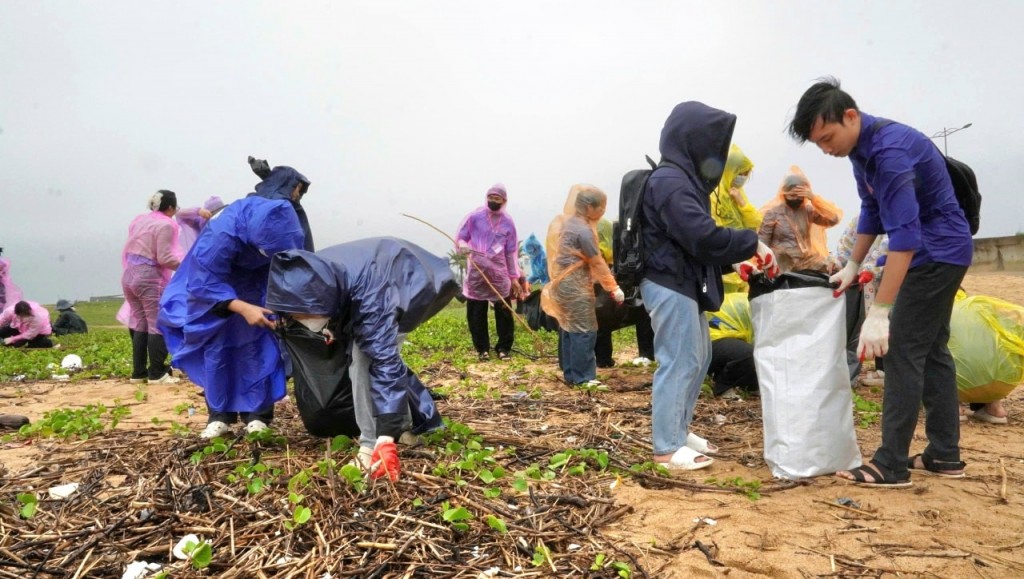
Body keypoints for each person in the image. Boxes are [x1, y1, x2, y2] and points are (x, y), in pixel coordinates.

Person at [789, 77, 973, 487]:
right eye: (817, 143)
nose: (825, 148)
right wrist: (853, 264)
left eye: (827, 137)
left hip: (935, 253)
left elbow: (905, 238)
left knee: (903, 352)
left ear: (851, 116)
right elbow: (871, 210)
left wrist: (881, 312)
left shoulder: (889, 152)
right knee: (933, 351)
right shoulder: (861, 151)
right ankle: (944, 455)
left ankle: (890, 463)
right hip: (940, 250)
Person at [640, 101, 778, 470]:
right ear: (691, 140)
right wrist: (751, 243)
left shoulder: (683, 182)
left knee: (696, 360)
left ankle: (678, 431)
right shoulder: (670, 182)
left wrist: (737, 260)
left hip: (684, 282)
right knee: (679, 361)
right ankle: (666, 448)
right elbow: (701, 237)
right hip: (669, 284)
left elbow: (691, 243)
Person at [266, 237, 459, 480]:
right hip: (370, 278)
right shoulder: (303, 278)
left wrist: (385, 434)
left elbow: (383, 359)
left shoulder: (372, 300)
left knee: (365, 360)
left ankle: (370, 444)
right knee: (366, 355)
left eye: (305, 313)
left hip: (413, 282)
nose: (301, 317)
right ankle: (404, 425)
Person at [159, 159, 310, 438]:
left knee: (262, 345)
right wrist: (241, 307)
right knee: (219, 348)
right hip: (217, 290)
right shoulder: (221, 232)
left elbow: (293, 262)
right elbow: (204, 280)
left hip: (259, 284)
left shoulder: (282, 216)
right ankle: (220, 414)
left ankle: (258, 415)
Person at [541, 185, 624, 386]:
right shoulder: (583, 230)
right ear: (589, 207)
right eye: (600, 208)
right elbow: (596, 261)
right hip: (574, 284)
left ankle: (571, 374)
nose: (602, 211)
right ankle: (584, 377)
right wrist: (613, 287)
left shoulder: (568, 224)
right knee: (585, 330)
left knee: (569, 328)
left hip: (562, 282)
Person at [455, 184, 529, 361]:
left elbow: (511, 252)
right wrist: (464, 246)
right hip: (477, 272)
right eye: (491, 197)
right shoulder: (475, 217)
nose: (493, 201)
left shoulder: (508, 223)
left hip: (499, 273)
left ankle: (503, 348)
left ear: (504, 201)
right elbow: (461, 237)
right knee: (476, 312)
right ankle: (482, 349)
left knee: (504, 311)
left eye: (497, 198)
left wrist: (514, 278)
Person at [122, 190, 184, 384]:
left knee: (140, 323)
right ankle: (157, 374)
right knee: (156, 323)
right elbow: (164, 257)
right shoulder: (166, 224)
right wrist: (188, 268)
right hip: (148, 277)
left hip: (128, 276)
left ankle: (138, 373)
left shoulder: (140, 220)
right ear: (171, 207)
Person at [834, 216, 889, 385]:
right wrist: (839, 263)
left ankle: (886, 370)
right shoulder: (862, 218)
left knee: (886, 324)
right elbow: (847, 242)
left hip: (887, 279)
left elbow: (889, 247)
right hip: (857, 281)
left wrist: (870, 269)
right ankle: (847, 375)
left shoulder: (895, 214)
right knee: (855, 328)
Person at [757, 167, 842, 274]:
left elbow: (833, 219)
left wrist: (814, 199)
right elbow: (762, 243)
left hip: (805, 260)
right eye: (792, 195)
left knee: (834, 269)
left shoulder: (807, 210)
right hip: (782, 262)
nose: (796, 199)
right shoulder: (773, 213)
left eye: (799, 195)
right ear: (784, 194)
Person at [594, 218, 655, 367]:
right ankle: (646, 354)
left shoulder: (607, 235)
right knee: (642, 313)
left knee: (600, 317)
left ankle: (603, 359)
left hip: (604, 287)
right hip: (613, 284)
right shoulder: (620, 237)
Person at [712, 145, 763, 294]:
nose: (743, 177)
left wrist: (742, 203)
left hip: (743, 266)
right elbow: (714, 230)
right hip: (724, 270)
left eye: (746, 174)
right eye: (741, 173)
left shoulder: (739, 193)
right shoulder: (714, 194)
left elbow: (755, 222)